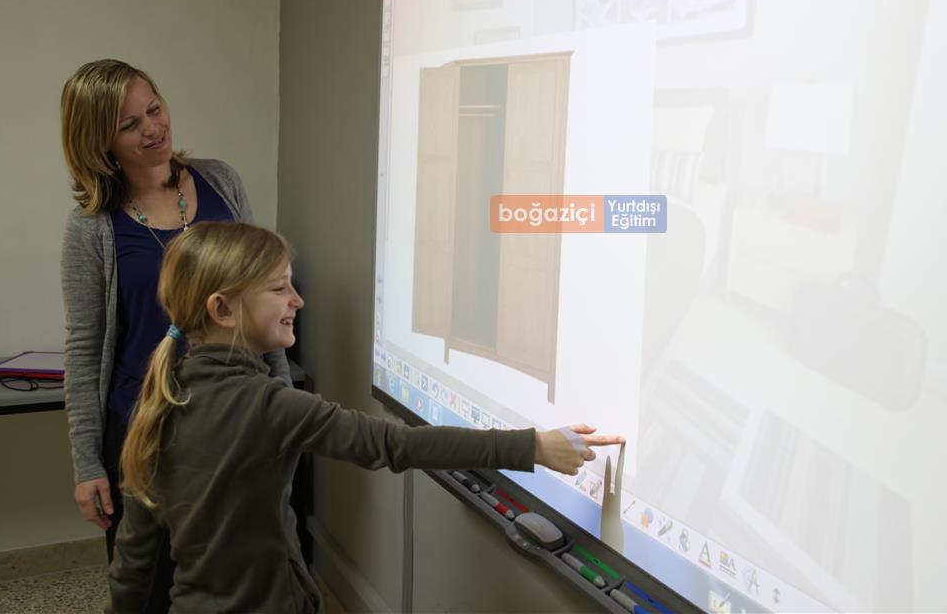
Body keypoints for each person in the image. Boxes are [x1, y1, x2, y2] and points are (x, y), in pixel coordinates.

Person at [108, 221, 622, 613]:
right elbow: (396, 445)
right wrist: (532, 446)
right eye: (278, 288)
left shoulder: (159, 404)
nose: (297, 300)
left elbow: (136, 557)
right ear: (222, 310)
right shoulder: (268, 405)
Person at [59, 59, 291, 604]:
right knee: (151, 587)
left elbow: (264, 294)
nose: (153, 129)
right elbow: (85, 349)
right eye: (129, 124)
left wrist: (281, 395)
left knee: (246, 581)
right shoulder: (91, 227)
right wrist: (87, 465)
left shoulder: (221, 183)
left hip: (237, 418)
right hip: (146, 433)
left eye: (154, 109)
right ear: (99, 141)